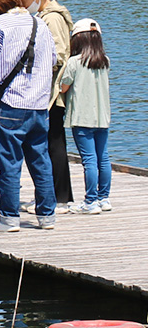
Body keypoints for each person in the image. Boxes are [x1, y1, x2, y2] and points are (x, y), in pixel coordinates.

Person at [0, 0, 57, 232]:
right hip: (40, 104)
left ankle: (9, 218)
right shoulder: (39, 23)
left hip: (12, 102)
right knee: (40, 160)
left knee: (10, 162)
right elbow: (53, 59)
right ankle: (47, 217)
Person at [13, 0, 74, 212]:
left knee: (54, 142)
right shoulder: (40, 16)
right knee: (46, 142)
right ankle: (50, 195)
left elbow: (61, 55)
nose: (22, 3)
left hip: (53, 92)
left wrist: (33, 60)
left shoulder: (53, 18)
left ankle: (60, 198)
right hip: (42, 90)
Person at [60, 18, 112, 215]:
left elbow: (64, 86)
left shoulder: (74, 62)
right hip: (102, 117)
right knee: (103, 158)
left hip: (82, 117)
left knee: (89, 160)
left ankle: (90, 201)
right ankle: (104, 198)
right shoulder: (105, 61)